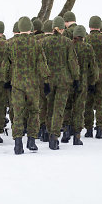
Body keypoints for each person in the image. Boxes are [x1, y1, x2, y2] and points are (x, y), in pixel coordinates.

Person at [4, 17, 50, 155]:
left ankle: (18, 143)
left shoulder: (11, 44)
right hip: (33, 84)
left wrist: (7, 80)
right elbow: (42, 64)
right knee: (34, 112)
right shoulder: (36, 44)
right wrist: (46, 81)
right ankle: (32, 140)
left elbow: (6, 65)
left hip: (17, 83)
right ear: (30, 29)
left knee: (18, 113)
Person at [40, 16, 80, 150]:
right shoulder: (67, 42)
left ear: (53, 28)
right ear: (62, 29)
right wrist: (76, 78)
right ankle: (54, 136)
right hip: (64, 80)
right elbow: (72, 62)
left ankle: (48, 131)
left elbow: (41, 62)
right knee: (59, 108)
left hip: (49, 80)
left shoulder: (44, 42)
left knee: (49, 107)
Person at [62, 25, 98, 145]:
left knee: (66, 107)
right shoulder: (88, 48)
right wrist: (92, 82)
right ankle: (77, 137)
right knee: (79, 109)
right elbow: (93, 68)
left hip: (68, 81)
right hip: (82, 83)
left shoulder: (68, 46)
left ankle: (66, 130)